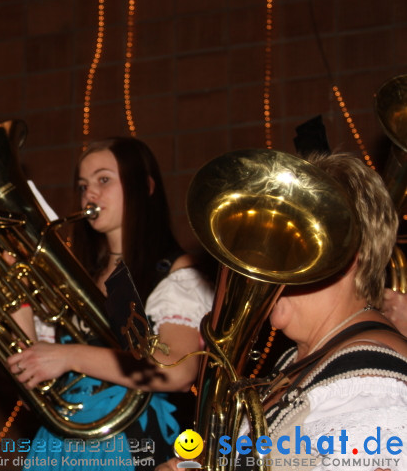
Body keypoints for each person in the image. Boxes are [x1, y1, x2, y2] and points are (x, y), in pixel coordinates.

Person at [158, 151, 407, 471]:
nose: (263, 266)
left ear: (345, 259)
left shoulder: (370, 384)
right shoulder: (302, 360)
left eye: (288, 249)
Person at [6, 137, 213, 470]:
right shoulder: (74, 278)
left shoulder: (174, 271)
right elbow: (35, 391)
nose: (89, 194)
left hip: (129, 442)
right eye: (83, 185)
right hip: (61, 444)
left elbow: (176, 370)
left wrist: (69, 356)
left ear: (144, 186)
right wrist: (18, 295)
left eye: (104, 180)